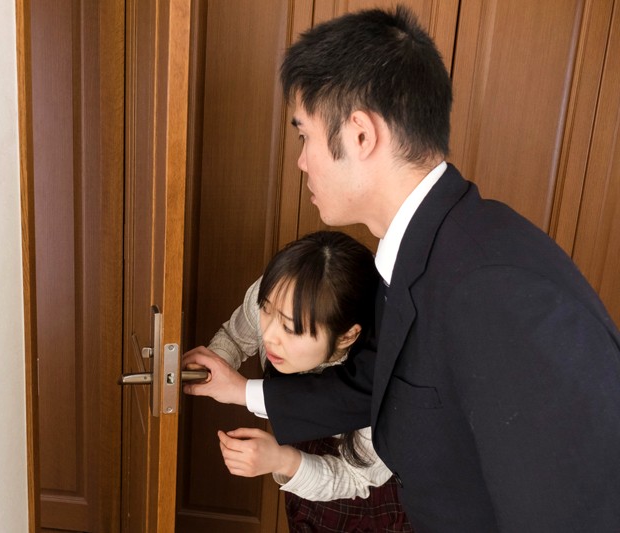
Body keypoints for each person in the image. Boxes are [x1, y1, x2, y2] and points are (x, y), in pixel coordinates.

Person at [183, 5, 620, 532]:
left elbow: (573, 508)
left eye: (304, 136)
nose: (300, 161)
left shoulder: (494, 287)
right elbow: (369, 385)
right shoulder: (415, 261)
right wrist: (239, 390)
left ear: (360, 135)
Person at [187, 230, 411, 531]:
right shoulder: (278, 294)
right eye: (266, 310)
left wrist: (283, 461)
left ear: (347, 336)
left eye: (290, 329)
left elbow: (357, 479)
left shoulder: (385, 383)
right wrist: (212, 364)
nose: (269, 335)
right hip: (306, 492)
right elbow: (236, 337)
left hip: (371, 508)